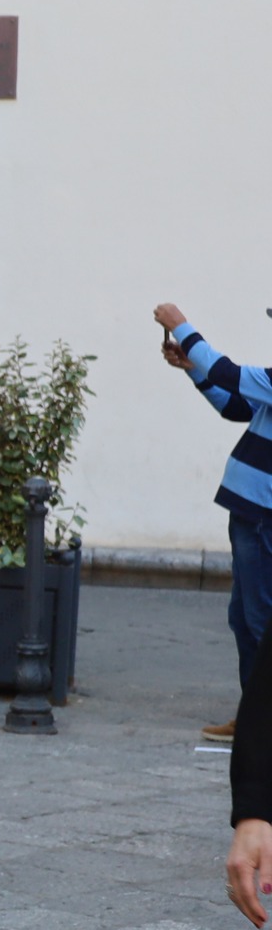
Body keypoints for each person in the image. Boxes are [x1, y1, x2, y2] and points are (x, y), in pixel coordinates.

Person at [157, 302, 272, 744]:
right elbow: (235, 406)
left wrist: (181, 326)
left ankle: (262, 724)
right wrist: (192, 369)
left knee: (259, 619)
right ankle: (254, 715)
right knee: (244, 619)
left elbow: (231, 374)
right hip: (251, 513)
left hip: (263, 517)